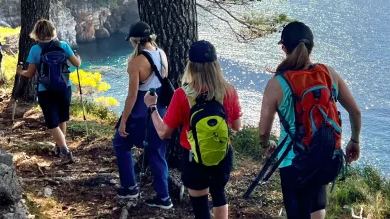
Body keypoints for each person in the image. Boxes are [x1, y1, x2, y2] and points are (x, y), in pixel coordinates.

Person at [259, 21, 362, 219]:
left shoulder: (277, 84)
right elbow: (355, 112)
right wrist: (354, 140)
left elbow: (264, 131)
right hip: (324, 155)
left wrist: (266, 144)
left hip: (293, 161)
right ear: (311, 47)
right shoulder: (328, 73)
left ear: (283, 48)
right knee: (317, 209)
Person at [144, 40, 243, 219]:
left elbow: (163, 132)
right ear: (216, 63)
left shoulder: (183, 94)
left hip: (193, 156)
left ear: (189, 64)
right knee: (219, 194)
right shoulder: (228, 91)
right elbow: (236, 126)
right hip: (222, 152)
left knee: (200, 205)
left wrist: (152, 107)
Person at [113, 21, 172, 209]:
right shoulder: (161, 53)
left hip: (140, 108)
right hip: (159, 106)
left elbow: (132, 95)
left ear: (135, 41)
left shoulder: (136, 62)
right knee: (156, 150)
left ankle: (130, 186)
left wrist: (123, 121)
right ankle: (164, 197)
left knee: (121, 143)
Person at [18, 19, 81, 164]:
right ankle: (60, 148)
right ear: (53, 31)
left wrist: (21, 71)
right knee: (62, 118)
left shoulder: (36, 49)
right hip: (65, 87)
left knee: (52, 122)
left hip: (45, 89)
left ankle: (64, 150)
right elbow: (76, 64)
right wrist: (78, 57)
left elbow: (31, 73)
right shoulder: (63, 45)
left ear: (37, 34)